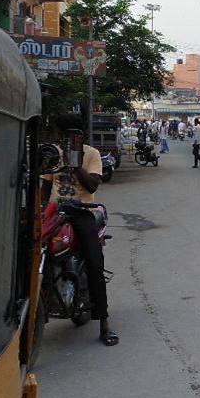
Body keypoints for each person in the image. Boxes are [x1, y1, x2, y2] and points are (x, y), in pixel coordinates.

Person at [41, 114, 118, 347]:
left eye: (73, 134)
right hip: (55, 212)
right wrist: (41, 211)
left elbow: (93, 184)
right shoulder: (52, 154)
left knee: (95, 263)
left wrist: (76, 166)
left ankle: (104, 322)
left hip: (82, 211)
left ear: (80, 135)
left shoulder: (91, 154)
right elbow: (45, 187)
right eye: (64, 135)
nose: (67, 139)